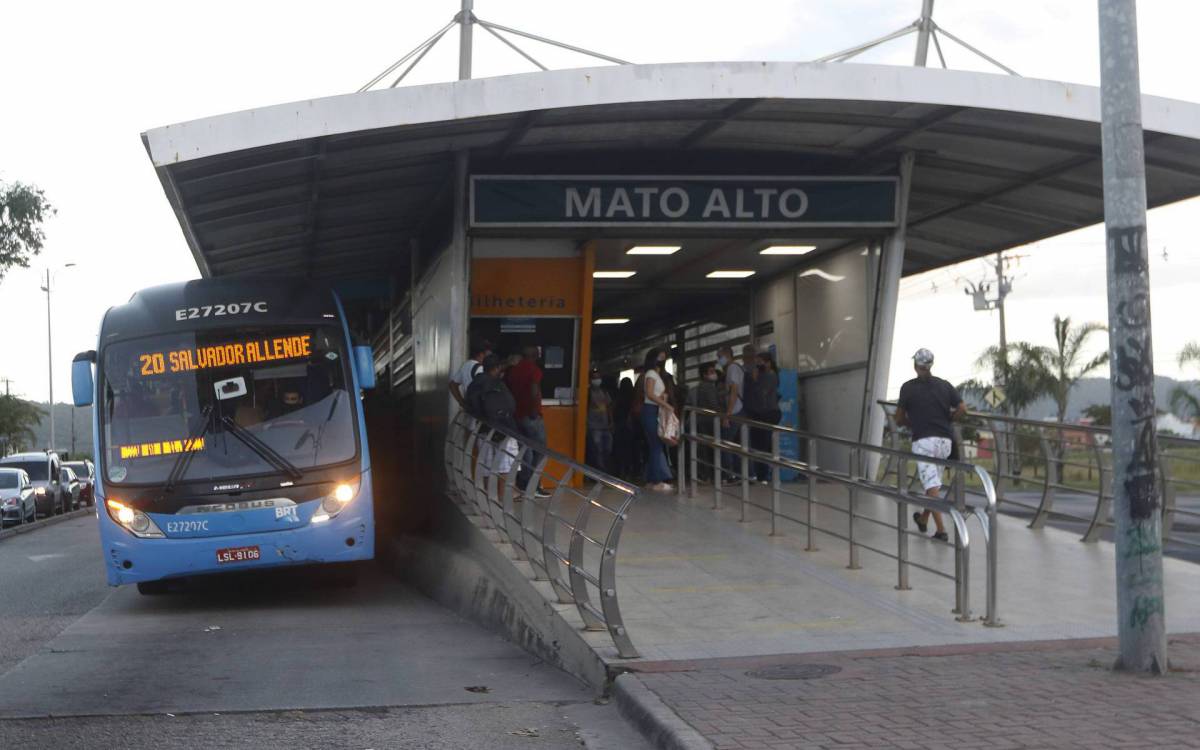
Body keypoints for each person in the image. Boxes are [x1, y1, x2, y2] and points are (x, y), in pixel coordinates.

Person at [895, 348, 966, 542]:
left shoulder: (908, 388)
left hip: (924, 442)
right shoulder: (944, 385)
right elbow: (962, 408)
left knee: (931, 484)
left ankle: (941, 531)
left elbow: (899, 417)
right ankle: (924, 519)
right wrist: (950, 419)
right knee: (932, 483)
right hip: (945, 441)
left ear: (915, 365)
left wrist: (911, 423)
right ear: (930, 365)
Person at [506, 346, 551, 499]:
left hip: (517, 416)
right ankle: (535, 485)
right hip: (531, 416)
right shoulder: (534, 370)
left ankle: (524, 484)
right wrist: (533, 410)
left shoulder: (514, 370)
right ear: (534, 355)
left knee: (526, 451)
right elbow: (533, 389)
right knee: (541, 450)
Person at [640, 348, 674, 492]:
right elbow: (649, 393)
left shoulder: (655, 374)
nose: (662, 359)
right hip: (650, 410)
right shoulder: (651, 373)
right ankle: (656, 481)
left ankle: (651, 480)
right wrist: (666, 404)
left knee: (655, 445)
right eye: (660, 357)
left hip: (654, 410)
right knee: (656, 445)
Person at [746, 351, 781, 483]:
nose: (757, 364)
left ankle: (763, 474)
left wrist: (755, 381)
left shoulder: (769, 376)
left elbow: (762, 395)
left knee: (762, 445)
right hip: (762, 413)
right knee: (760, 444)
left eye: (760, 362)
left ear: (768, 362)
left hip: (767, 413)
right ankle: (761, 473)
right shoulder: (765, 375)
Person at [689, 362, 724, 481]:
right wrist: (723, 414)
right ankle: (712, 475)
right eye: (711, 372)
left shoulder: (702, 386)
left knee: (705, 449)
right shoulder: (708, 386)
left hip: (703, 420)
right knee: (710, 449)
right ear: (704, 375)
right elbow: (713, 404)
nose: (714, 374)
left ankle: (706, 474)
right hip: (709, 421)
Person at [716, 345, 746, 479]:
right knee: (738, 444)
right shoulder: (735, 368)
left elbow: (733, 392)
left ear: (727, 355)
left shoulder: (732, 368)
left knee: (726, 442)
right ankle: (743, 474)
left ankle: (728, 474)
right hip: (739, 409)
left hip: (735, 410)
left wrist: (727, 414)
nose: (718, 360)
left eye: (719, 357)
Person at [450, 338, 492, 410]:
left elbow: (452, 385)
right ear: (481, 354)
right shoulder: (481, 369)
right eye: (488, 352)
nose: (490, 354)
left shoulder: (466, 365)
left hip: (470, 408)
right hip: (480, 411)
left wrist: (462, 402)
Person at [586, 368, 613, 473]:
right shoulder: (588, 393)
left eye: (598, 378)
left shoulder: (604, 392)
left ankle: (604, 469)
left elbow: (609, 407)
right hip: (593, 426)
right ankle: (600, 471)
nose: (597, 380)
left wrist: (611, 421)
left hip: (605, 425)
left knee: (607, 449)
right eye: (594, 378)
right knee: (597, 449)